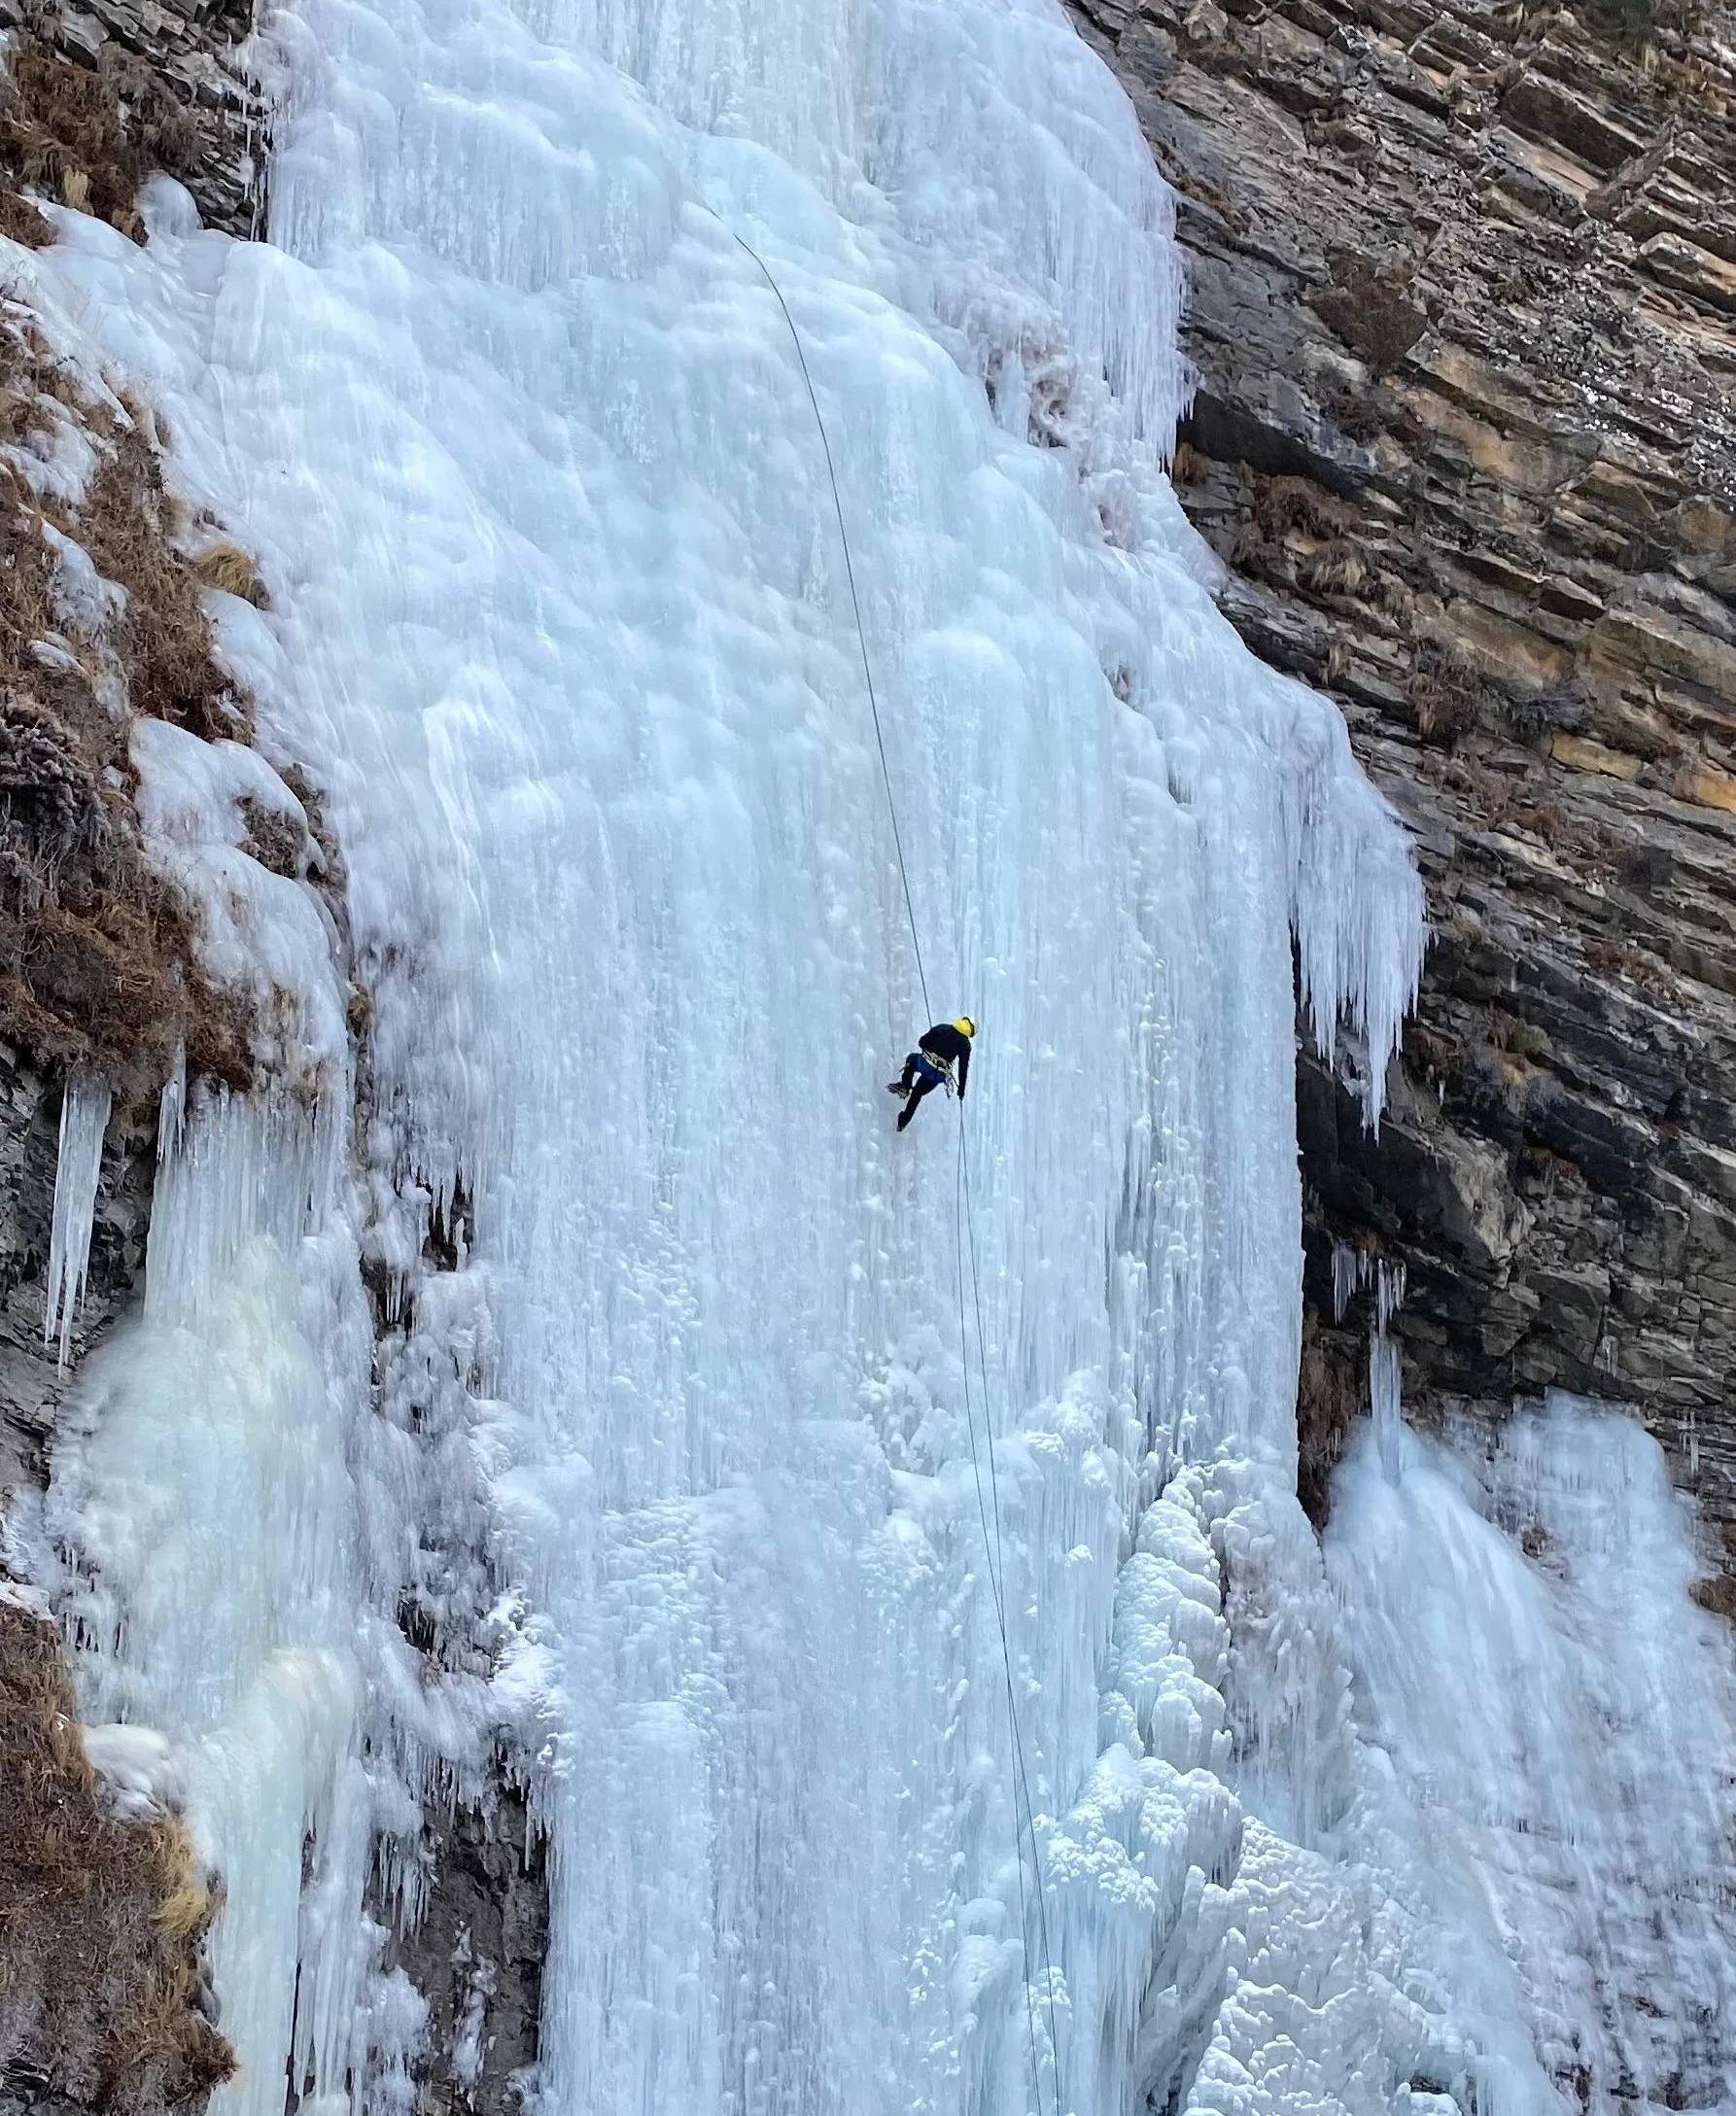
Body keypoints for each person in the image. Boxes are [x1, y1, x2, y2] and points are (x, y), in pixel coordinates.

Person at [887, 1018, 976, 1131]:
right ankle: (902, 1122)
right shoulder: (966, 1045)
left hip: (924, 1064)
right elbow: (963, 1067)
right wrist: (961, 1090)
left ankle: (905, 1086)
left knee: (912, 1059)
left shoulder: (943, 1028)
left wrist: (932, 1047)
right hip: (937, 1075)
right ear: (970, 1032)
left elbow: (922, 1042)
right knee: (917, 1094)